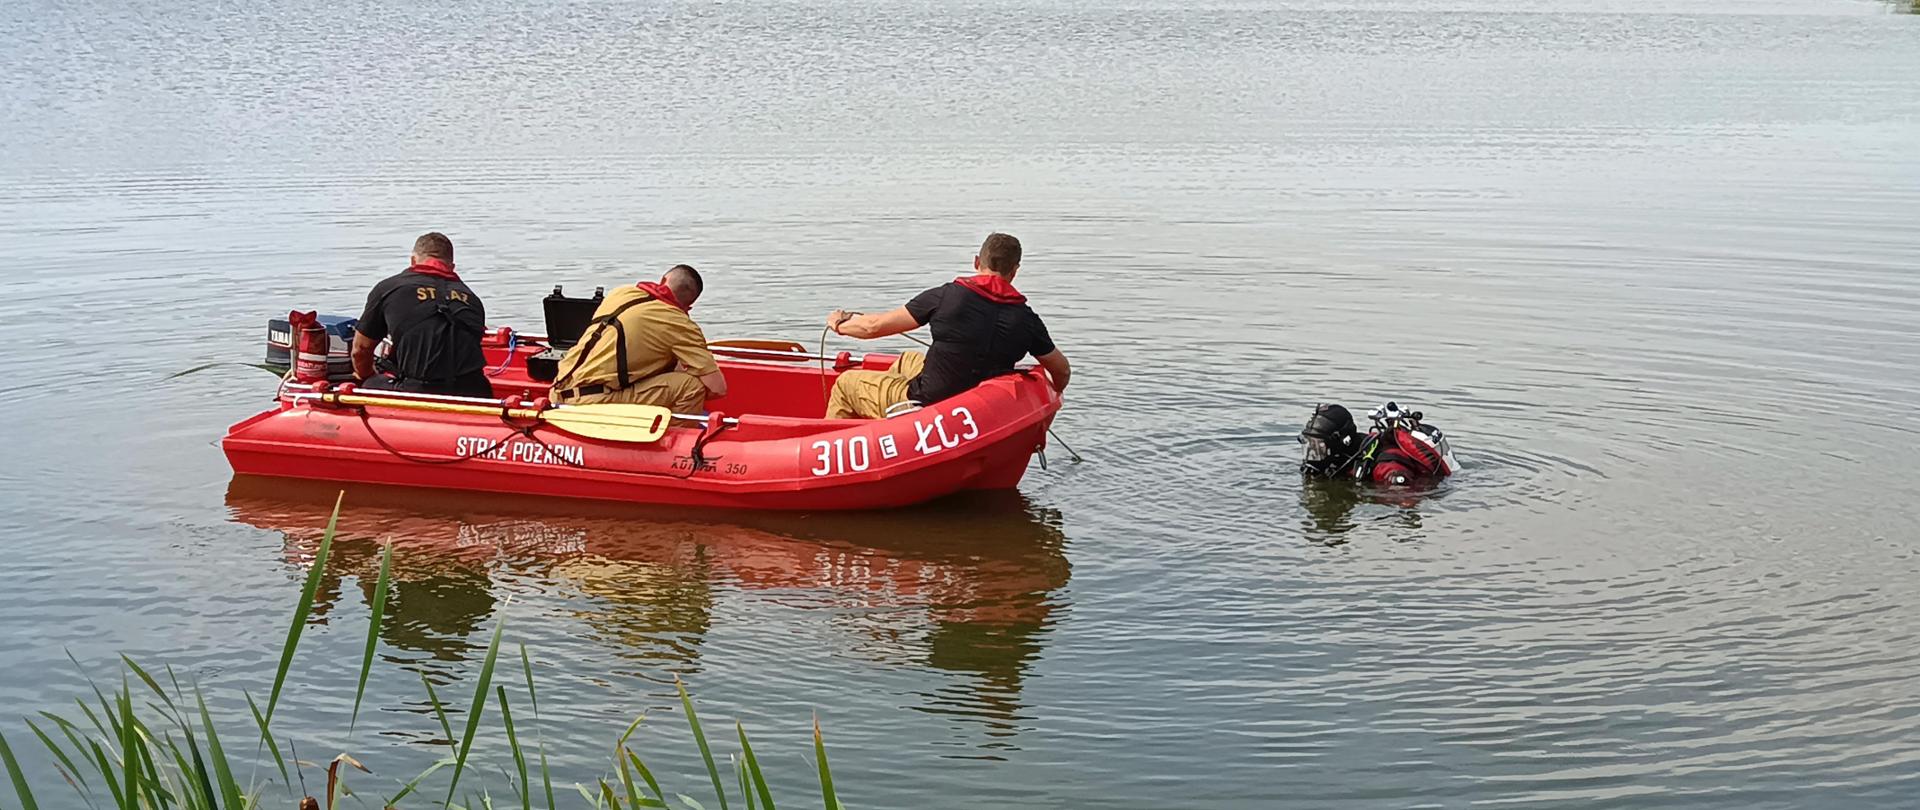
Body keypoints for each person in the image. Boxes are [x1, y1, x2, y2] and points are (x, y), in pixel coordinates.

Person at [824, 232, 1069, 419]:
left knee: (846, 384)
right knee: (907, 360)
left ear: (976, 262)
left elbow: (873, 328)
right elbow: (1061, 371)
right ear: (1014, 271)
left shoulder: (947, 297)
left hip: (929, 401)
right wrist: (1051, 398)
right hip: (978, 402)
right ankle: (888, 432)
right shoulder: (1026, 319)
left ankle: (848, 447)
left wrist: (839, 324)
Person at [549, 264, 726, 412]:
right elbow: (717, 388)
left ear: (663, 281)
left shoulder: (621, 293)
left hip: (559, 390)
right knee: (691, 387)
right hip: (593, 401)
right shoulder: (678, 322)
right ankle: (674, 447)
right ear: (690, 306)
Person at [351, 232, 492, 398]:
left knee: (369, 383)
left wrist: (366, 375)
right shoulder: (473, 299)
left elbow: (360, 349)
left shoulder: (389, 288)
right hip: (476, 391)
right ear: (452, 267)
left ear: (413, 261)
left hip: (419, 391)